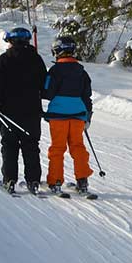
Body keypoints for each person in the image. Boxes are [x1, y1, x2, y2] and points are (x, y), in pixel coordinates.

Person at [0, 26, 47, 195]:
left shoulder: (4, 59)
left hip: (8, 112)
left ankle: (9, 180)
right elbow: (44, 84)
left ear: (11, 41)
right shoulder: (36, 59)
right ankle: (33, 181)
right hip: (31, 111)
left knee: (9, 146)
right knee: (31, 145)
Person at [43, 36, 94, 196]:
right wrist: (88, 116)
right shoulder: (81, 71)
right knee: (78, 147)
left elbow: (47, 92)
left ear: (57, 51)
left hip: (58, 115)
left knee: (58, 148)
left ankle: (56, 181)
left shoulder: (54, 70)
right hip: (78, 115)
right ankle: (82, 181)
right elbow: (87, 96)